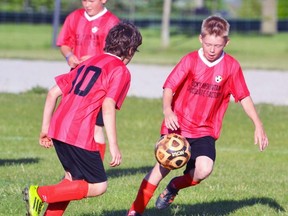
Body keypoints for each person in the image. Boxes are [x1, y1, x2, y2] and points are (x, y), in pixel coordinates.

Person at [127, 15, 269, 216]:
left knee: (204, 169)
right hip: (177, 127)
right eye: (208, 44)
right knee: (162, 167)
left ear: (226, 42)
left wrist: (258, 124)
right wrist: (168, 111)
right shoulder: (190, 60)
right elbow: (169, 87)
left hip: (205, 130)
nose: (212, 50)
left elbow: (243, 96)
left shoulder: (231, 66)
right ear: (200, 39)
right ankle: (135, 211)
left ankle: (174, 187)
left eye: (217, 45)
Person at [23, 21, 142, 216]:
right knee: (99, 185)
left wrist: (45, 129)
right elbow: (108, 105)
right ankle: (39, 193)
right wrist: (114, 146)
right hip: (78, 132)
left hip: (58, 126)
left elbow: (53, 93)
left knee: (71, 180)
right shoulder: (120, 70)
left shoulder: (88, 61)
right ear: (130, 50)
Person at [57, 0, 120, 161]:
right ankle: (73, 171)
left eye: (91, 0)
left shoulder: (112, 22)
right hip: (78, 79)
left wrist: (94, 58)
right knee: (73, 124)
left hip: (99, 82)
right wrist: (70, 56)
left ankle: (94, 170)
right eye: (84, 0)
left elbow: (116, 53)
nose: (87, 4)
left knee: (95, 127)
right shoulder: (74, 17)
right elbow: (64, 43)